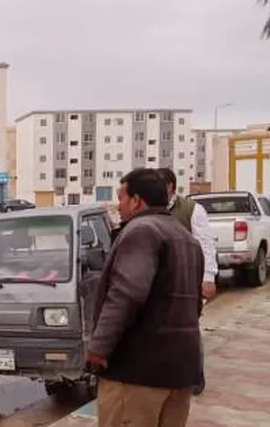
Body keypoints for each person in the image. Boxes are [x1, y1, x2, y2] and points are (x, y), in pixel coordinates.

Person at [87, 168, 204, 427]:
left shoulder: (141, 231)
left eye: (121, 198)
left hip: (137, 374)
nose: (118, 206)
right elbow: (195, 305)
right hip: (179, 372)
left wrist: (99, 347)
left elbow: (126, 294)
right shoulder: (187, 239)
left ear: (137, 200)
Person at [156, 168, 218, 395]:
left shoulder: (192, 210)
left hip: (187, 280)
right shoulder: (152, 209)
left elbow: (206, 244)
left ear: (171, 186)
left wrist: (208, 277)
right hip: (161, 282)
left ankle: (195, 377)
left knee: (189, 329)